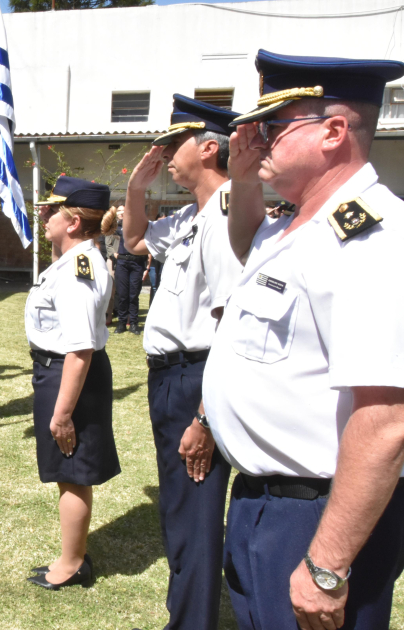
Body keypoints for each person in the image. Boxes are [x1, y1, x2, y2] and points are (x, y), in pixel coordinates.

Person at [203, 50, 404, 630]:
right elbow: (248, 249)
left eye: (273, 125)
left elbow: (390, 418)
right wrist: (245, 180)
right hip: (265, 502)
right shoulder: (294, 224)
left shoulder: (371, 239)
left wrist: (326, 566)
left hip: (319, 515)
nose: (254, 136)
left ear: (334, 131)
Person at [122, 94, 241, 630]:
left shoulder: (229, 212)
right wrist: (135, 189)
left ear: (209, 147)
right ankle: (184, 614)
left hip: (198, 377)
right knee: (178, 506)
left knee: (194, 512)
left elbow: (233, 328)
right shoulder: (194, 215)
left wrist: (206, 416)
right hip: (169, 376)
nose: (166, 152)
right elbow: (132, 239)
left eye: (176, 143)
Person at [24, 177, 118, 590]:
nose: (43, 214)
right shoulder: (73, 259)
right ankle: (72, 552)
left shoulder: (80, 270)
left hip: (69, 374)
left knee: (72, 470)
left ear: (75, 222)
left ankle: (72, 563)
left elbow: (80, 350)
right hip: (59, 371)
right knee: (68, 469)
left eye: (52, 210)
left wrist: (62, 414)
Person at [113, 205, 146, 334]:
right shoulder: (118, 226)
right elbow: (106, 228)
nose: (123, 214)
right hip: (122, 261)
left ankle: (133, 323)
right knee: (122, 294)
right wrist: (117, 216)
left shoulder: (138, 226)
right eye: (121, 212)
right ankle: (121, 323)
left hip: (136, 262)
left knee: (133, 295)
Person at [100, 207, 118, 325]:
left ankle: (111, 312)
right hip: (100, 259)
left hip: (109, 259)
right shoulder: (94, 228)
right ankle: (104, 313)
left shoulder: (113, 228)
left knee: (112, 289)